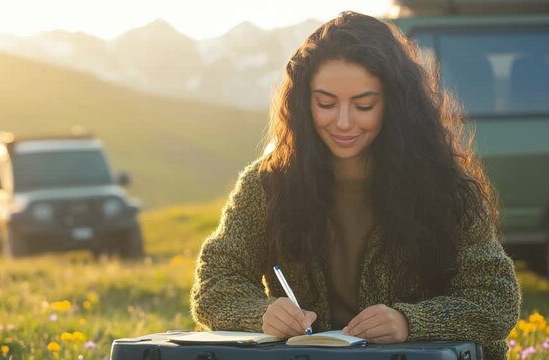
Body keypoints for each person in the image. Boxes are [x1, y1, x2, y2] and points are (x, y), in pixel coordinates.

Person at [190, 11, 520, 360]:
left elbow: (495, 297)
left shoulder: (444, 186)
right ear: (303, 103)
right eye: (326, 103)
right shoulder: (268, 185)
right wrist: (261, 313)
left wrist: (411, 322)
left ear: (394, 104)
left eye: (364, 105)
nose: (344, 122)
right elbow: (215, 282)